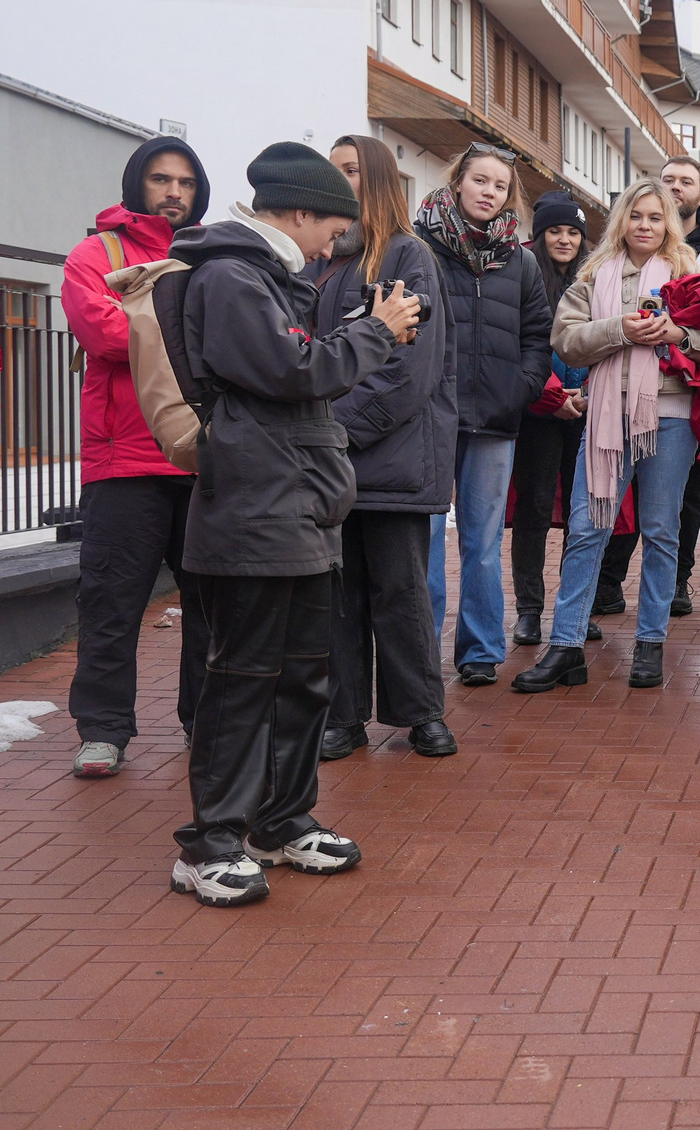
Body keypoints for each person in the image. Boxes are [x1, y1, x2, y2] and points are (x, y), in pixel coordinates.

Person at [165, 143, 420, 905]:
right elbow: (294, 371)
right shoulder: (231, 277)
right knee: (242, 681)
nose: (329, 249)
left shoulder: (271, 278)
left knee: (304, 677)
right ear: (301, 213)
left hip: (298, 510)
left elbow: (302, 369)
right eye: (332, 232)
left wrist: (359, 333)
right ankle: (210, 843)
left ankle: (280, 822)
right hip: (254, 513)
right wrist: (377, 332)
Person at [513, 180, 700, 693]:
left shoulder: (689, 275)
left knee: (660, 529)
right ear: (621, 221)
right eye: (636, 216)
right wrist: (620, 330)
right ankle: (566, 646)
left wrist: (678, 335)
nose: (644, 225)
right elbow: (566, 340)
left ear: (668, 223)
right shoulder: (592, 275)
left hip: (670, 417)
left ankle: (650, 642)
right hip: (606, 415)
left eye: (655, 217)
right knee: (587, 527)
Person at [61, 136, 212, 779]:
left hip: (201, 458)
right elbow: (102, 332)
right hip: (123, 462)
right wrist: (191, 334)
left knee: (212, 605)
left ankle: (207, 723)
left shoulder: (209, 255)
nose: (174, 192)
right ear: (136, 183)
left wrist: (151, 323)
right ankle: (103, 731)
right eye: (160, 179)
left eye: (186, 181)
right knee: (110, 605)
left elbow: (233, 335)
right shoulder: (96, 253)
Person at [311, 136, 455, 760]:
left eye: (350, 170)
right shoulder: (317, 261)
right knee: (338, 598)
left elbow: (408, 373)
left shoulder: (408, 254)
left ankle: (421, 714)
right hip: (332, 463)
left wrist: (332, 430)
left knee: (401, 593)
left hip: (391, 460)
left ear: (375, 179)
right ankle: (343, 719)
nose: (339, 182)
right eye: (332, 172)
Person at [594, 157, 700, 622]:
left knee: (684, 495)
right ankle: (608, 581)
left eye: (686, 181)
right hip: (627, 387)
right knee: (622, 491)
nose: (676, 187)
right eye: (669, 180)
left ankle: (677, 580)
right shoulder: (621, 255)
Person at [417, 144, 550, 686]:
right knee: (423, 541)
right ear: (458, 183)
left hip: (495, 421)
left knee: (483, 542)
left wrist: (520, 388)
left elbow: (538, 335)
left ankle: (479, 651)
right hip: (429, 417)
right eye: (480, 180)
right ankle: (419, 650)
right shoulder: (419, 248)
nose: (489, 192)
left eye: (500, 186)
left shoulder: (521, 260)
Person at [509, 193, 601, 648]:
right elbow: (520, 341)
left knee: (583, 516)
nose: (564, 239)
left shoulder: (595, 277)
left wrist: (587, 393)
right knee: (535, 509)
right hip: (538, 412)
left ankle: (573, 608)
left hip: (587, 412)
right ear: (540, 234)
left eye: (573, 232)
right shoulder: (524, 273)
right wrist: (550, 397)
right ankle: (529, 610)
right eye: (554, 231)